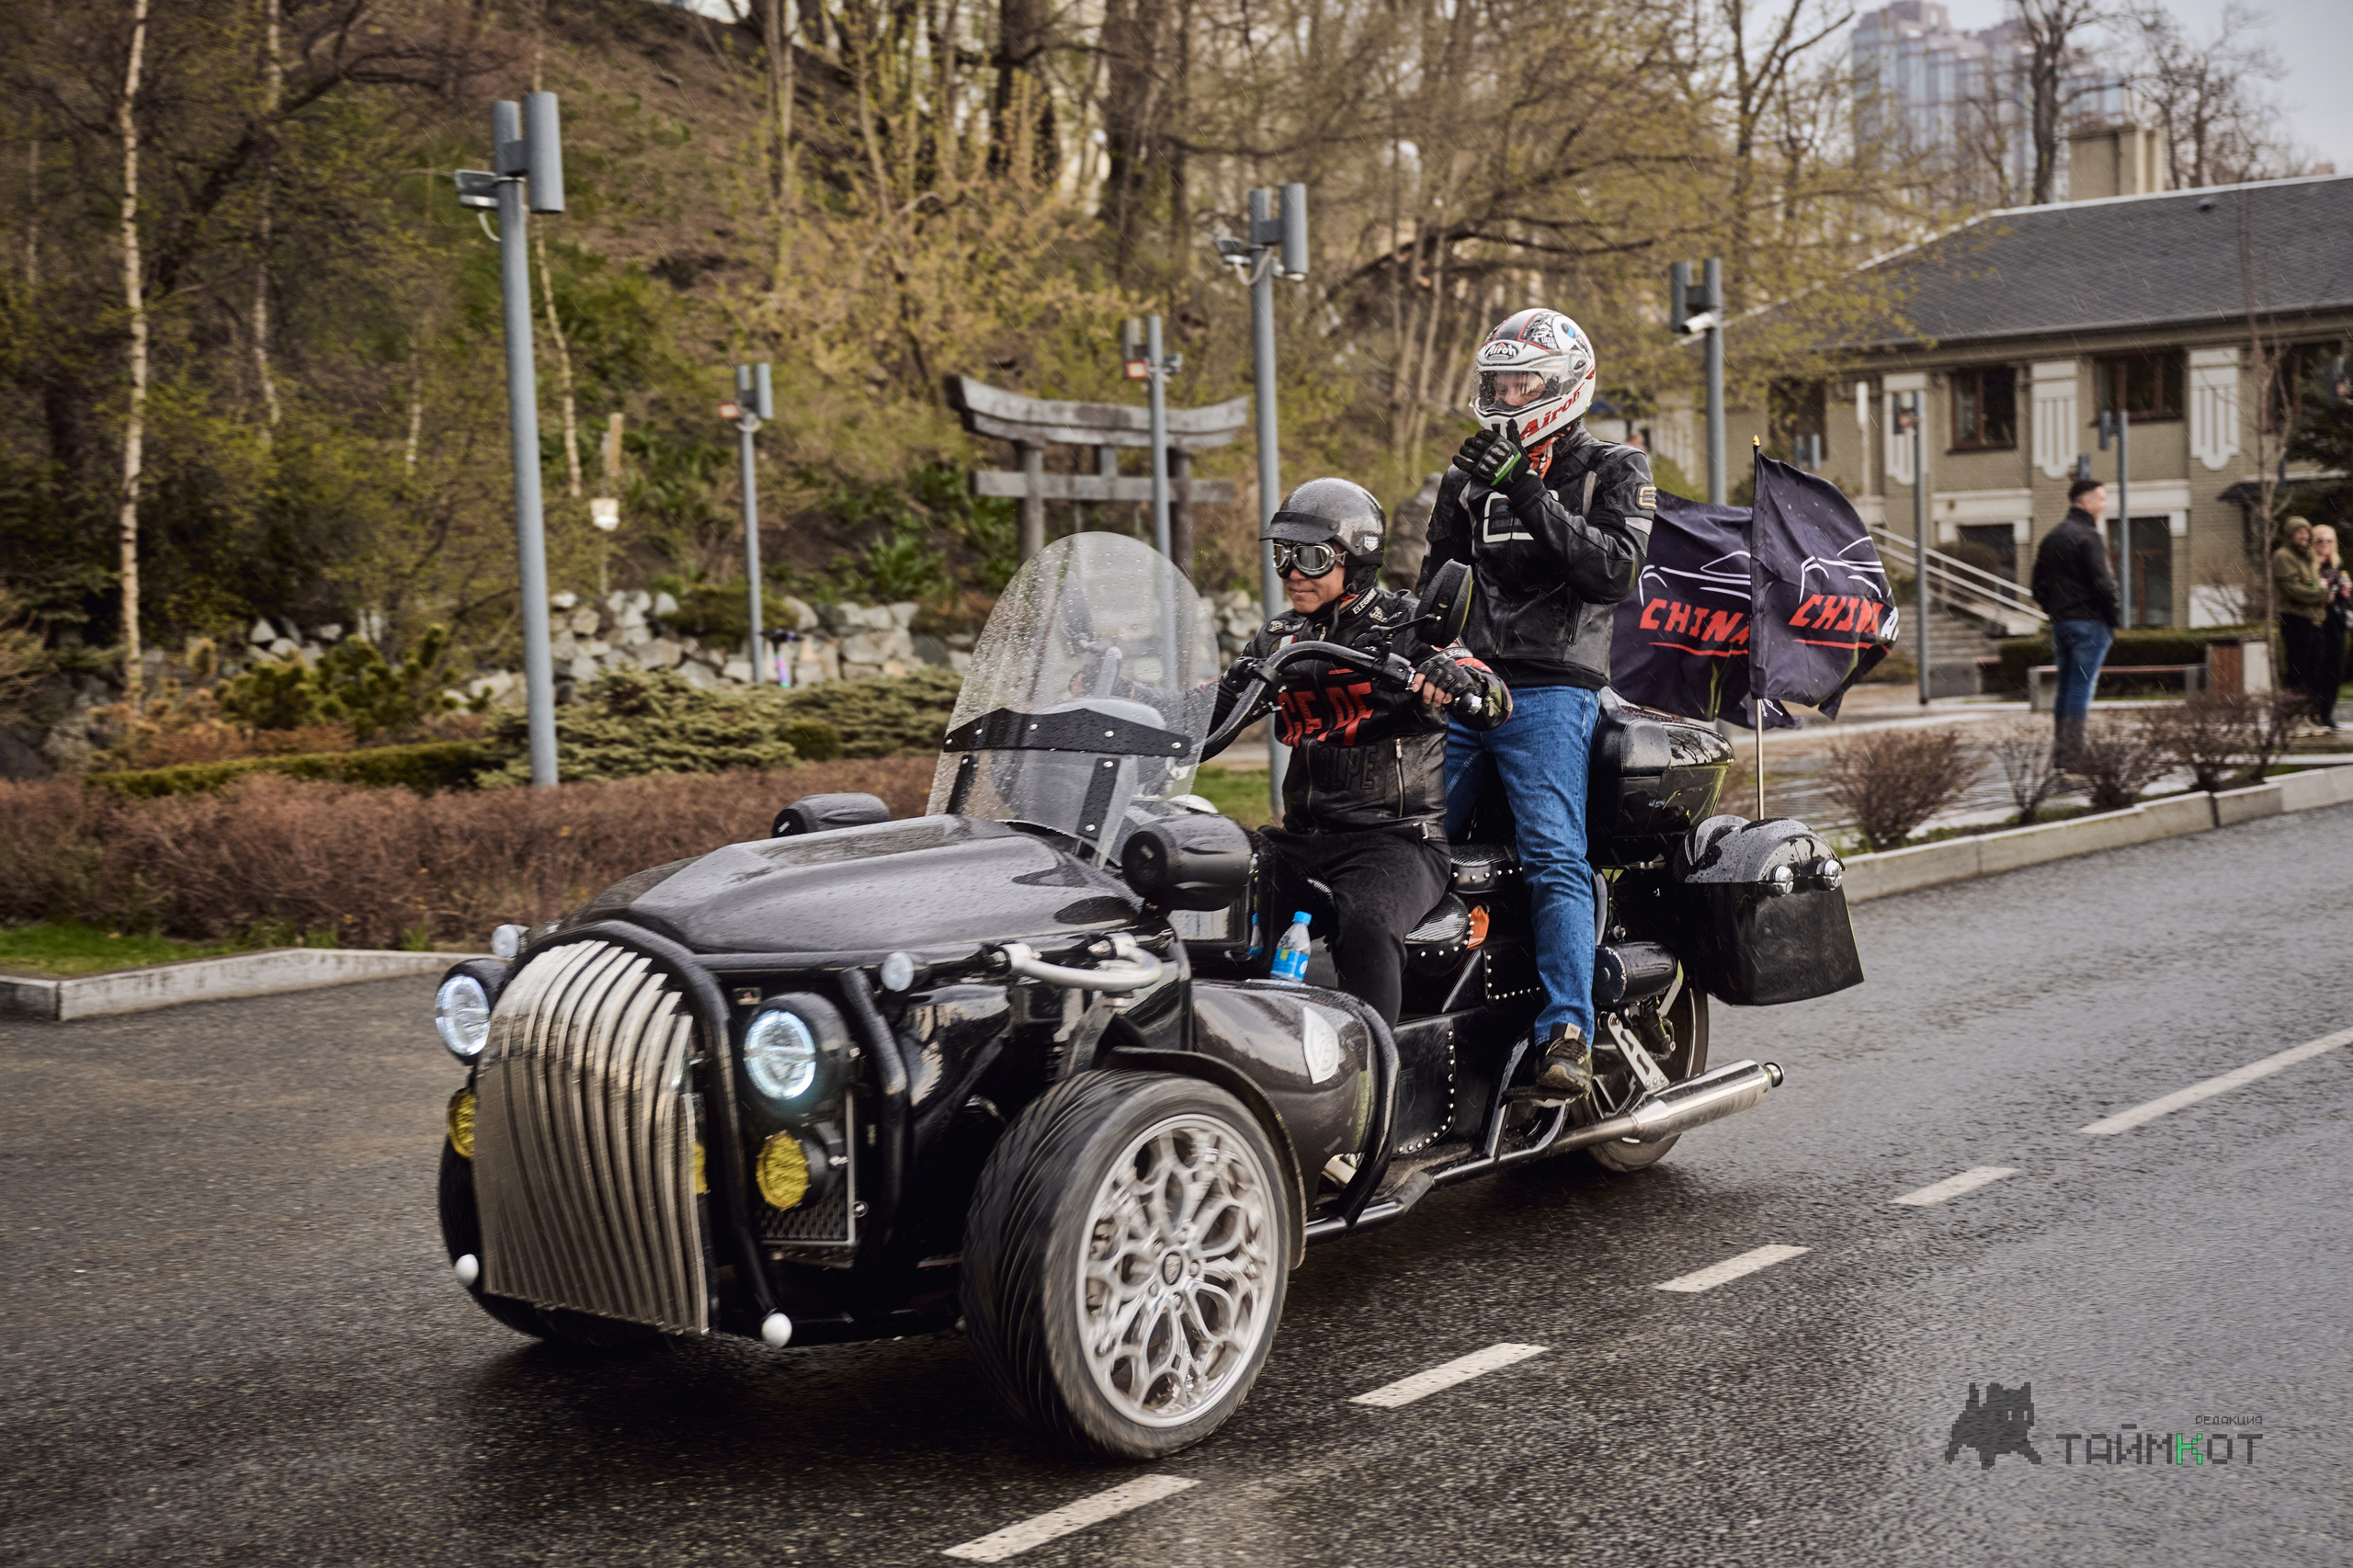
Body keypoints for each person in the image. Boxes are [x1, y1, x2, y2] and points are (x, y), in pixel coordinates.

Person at [1415, 308, 1652, 1096]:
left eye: (1521, 382)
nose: (1506, 394)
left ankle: (1567, 1032)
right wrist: (1419, 651)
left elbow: (1611, 571)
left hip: (1554, 685)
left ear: (1562, 385)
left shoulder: (1614, 469)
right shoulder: (1465, 476)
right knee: (1406, 836)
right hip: (1470, 680)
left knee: (1555, 853)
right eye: (1499, 382)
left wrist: (1523, 485)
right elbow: (1435, 586)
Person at [1205, 478, 1510, 1027]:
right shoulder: (1279, 640)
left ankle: (1377, 1085)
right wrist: (1130, 709)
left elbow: (1494, 702)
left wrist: (1455, 675)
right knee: (1210, 898)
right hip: (1302, 839)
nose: (1293, 572)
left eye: (1311, 557)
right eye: (1284, 556)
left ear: (1357, 560)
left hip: (1395, 842)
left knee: (1367, 926)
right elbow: (1210, 710)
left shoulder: (1409, 626)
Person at [2029, 477, 2120, 770]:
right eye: (2101, 499)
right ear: (2086, 502)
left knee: (2066, 689)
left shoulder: (2052, 537)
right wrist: (2114, 616)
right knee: (2081, 689)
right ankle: (2074, 756)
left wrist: (2055, 611)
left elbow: (2037, 586)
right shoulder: (2089, 537)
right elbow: (2103, 583)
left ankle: (2063, 754)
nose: (2104, 505)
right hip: (2090, 623)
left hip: (2062, 624)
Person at [2272, 517, 2332, 729]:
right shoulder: (2283, 556)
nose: (2303, 536)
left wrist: (2317, 589)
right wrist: (2322, 592)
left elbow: (2312, 583)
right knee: (2297, 669)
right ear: (2290, 534)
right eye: (2299, 532)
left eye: (2306, 532)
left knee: (2314, 669)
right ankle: (2290, 716)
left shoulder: (2307, 556)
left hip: (2314, 619)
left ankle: (2308, 714)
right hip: (2295, 619)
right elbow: (2294, 590)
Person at [2311, 524, 2349, 730]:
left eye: (2329, 541)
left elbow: (2342, 596)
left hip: (2336, 621)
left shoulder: (2337, 564)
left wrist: (2345, 590)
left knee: (2336, 667)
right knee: (2318, 666)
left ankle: (2327, 712)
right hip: (2317, 622)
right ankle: (2314, 711)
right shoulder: (2309, 566)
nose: (2325, 544)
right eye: (2320, 540)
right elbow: (2307, 587)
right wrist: (2318, 588)